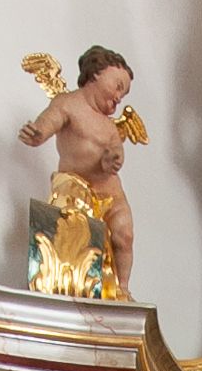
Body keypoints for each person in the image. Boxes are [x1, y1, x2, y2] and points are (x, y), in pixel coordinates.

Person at [20, 46, 142, 295]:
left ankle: (122, 290)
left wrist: (112, 160)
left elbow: (117, 152)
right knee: (75, 228)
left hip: (111, 194)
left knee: (124, 235)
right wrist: (37, 134)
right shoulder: (68, 104)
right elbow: (48, 122)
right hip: (75, 188)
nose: (119, 97)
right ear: (97, 73)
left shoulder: (109, 126)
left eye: (124, 94)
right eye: (118, 86)